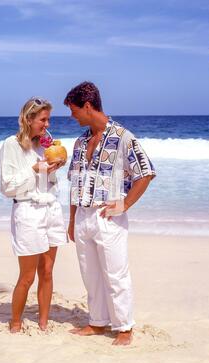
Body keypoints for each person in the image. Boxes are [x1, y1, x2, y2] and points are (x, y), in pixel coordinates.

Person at [65, 82, 156, 346]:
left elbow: (146, 173)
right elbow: (74, 183)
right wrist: (72, 220)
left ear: (88, 106)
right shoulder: (80, 142)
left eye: (74, 110)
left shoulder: (123, 137)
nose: (72, 116)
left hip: (108, 218)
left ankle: (124, 327)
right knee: (89, 273)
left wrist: (125, 204)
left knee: (115, 274)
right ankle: (97, 322)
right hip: (83, 215)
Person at [0, 97, 68, 333]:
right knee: (27, 276)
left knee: (47, 271)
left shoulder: (45, 146)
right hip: (28, 212)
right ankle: (15, 322)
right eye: (43, 119)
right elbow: (7, 188)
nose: (47, 124)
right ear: (28, 119)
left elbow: (48, 184)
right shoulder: (11, 145)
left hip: (51, 210)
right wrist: (33, 169)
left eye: (49, 119)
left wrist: (52, 170)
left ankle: (43, 323)